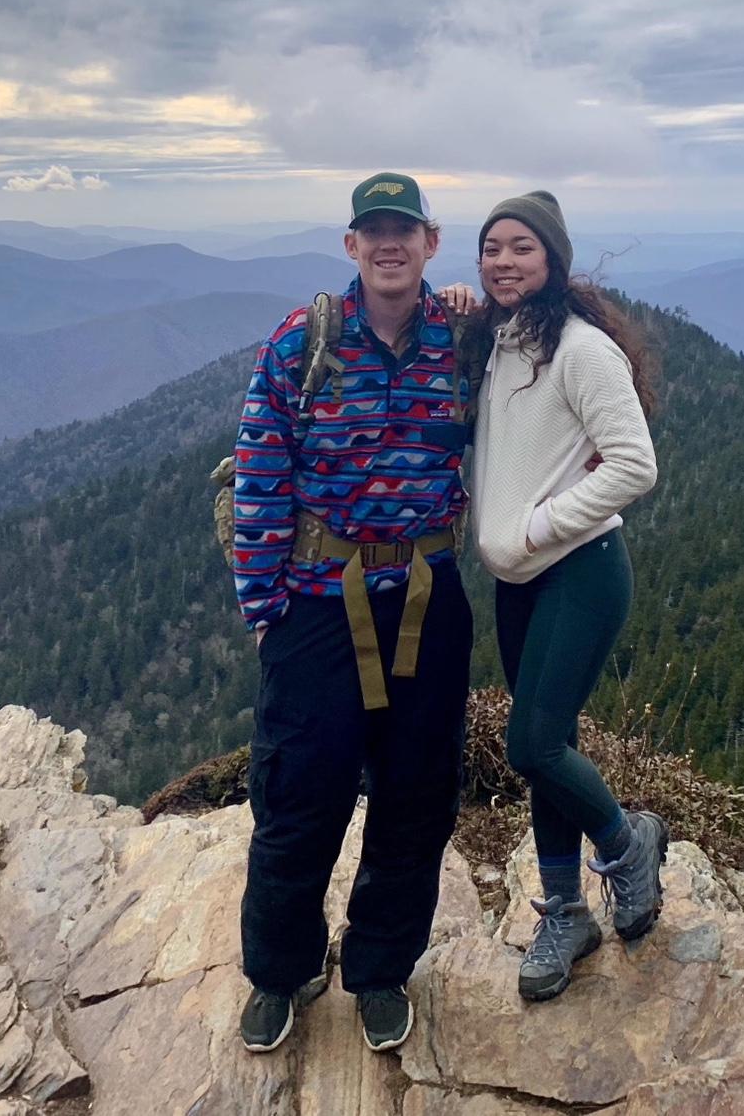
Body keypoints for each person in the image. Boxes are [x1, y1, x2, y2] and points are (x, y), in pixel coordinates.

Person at [232, 172, 473, 1054]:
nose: (389, 244)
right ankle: (282, 971)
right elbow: (261, 468)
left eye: (404, 230)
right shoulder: (303, 341)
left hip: (427, 594)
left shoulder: (464, 339)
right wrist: (264, 605)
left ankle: (378, 970)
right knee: (300, 793)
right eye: (374, 231)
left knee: (417, 795)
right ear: (351, 245)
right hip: (317, 598)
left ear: (430, 242)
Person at [453, 190, 664, 1002]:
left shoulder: (580, 349)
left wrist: (538, 524)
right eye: (491, 248)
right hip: (520, 584)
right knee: (552, 746)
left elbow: (634, 465)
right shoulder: (497, 342)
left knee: (533, 746)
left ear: (553, 259)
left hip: (580, 570)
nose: (503, 261)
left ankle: (627, 843)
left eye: (522, 248)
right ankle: (566, 912)